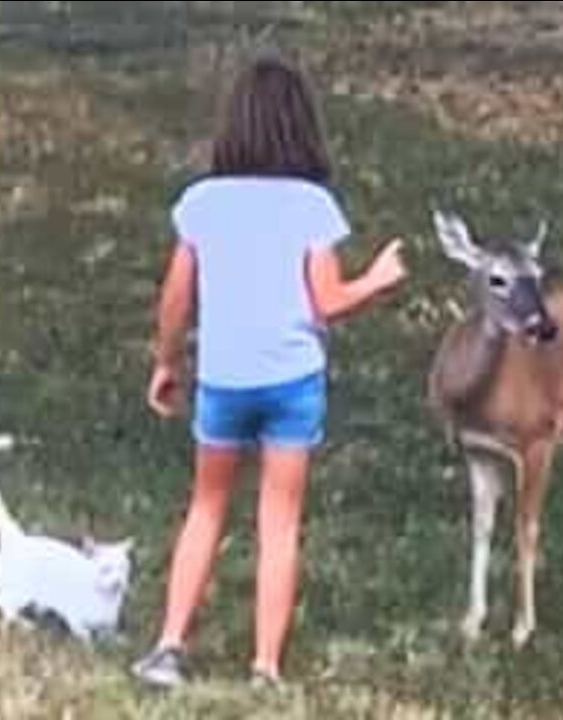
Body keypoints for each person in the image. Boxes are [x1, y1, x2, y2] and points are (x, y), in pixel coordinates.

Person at [129, 52, 407, 689]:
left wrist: (167, 361)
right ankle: (266, 666)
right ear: (302, 126)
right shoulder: (312, 205)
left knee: (206, 507)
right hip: (291, 383)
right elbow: (328, 304)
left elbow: (175, 299)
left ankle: (169, 646)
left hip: (223, 380)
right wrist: (377, 279)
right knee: (279, 521)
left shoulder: (201, 203)